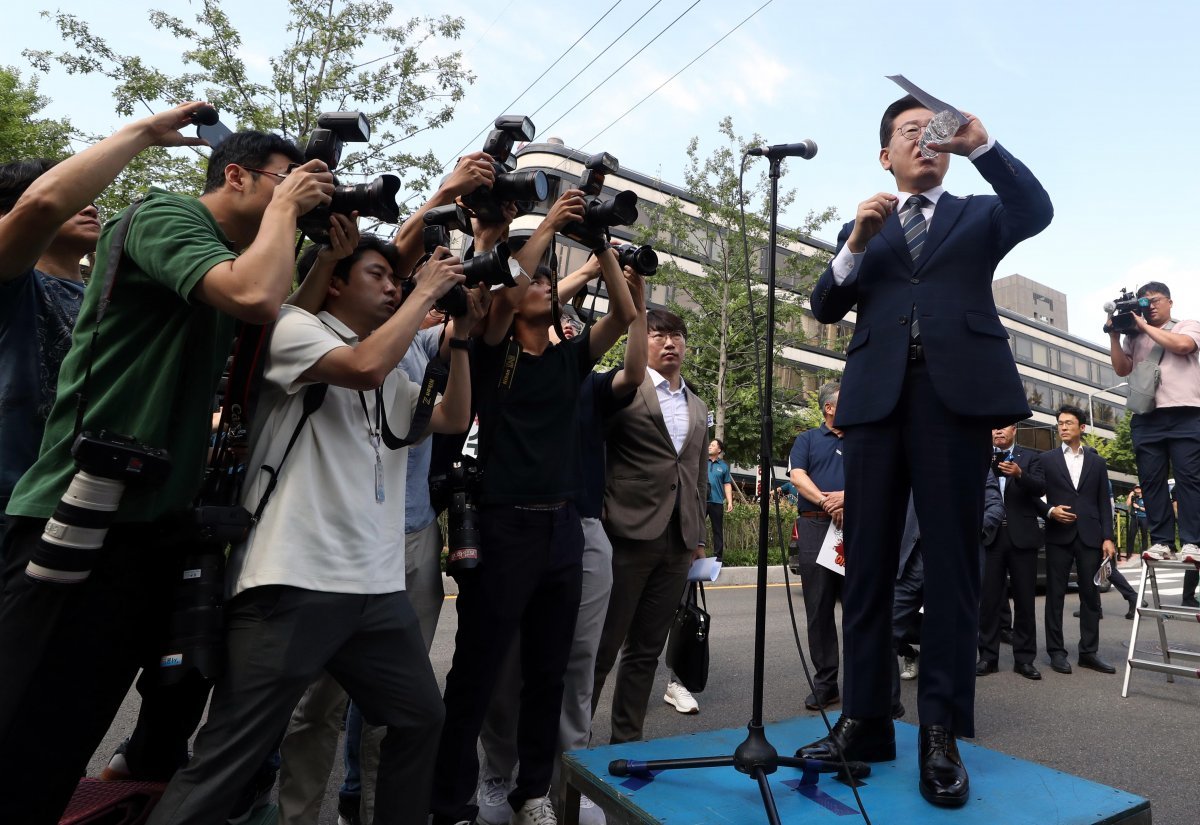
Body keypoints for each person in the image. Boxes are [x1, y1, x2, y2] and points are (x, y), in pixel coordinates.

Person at [0, 121, 334, 822]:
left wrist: (331, 254)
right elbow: (254, 298)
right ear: (235, 176)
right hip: (80, 515)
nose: (295, 195)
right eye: (284, 178)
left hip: (146, 526)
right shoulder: (165, 215)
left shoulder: (225, 257)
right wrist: (281, 214)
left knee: (68, 733)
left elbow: (274, 324)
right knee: (26, 728)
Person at [797, 93, 1053, 808]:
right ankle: (866, 720)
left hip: (955, 401)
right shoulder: (867, 225)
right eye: (911, 132)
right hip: (875, 404)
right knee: (869, 564)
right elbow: (822, 306)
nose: (925, 140)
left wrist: (982, 144)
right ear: (885, 155)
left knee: (950, 566)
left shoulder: (976, 213)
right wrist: (854, 243)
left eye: (935, 132)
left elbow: (1036, 210)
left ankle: (939, 731)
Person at [430, 189, 637, 825]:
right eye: (536, 280)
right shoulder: (494, 347)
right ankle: (452, 800)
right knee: (481, 667)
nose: (546, 285)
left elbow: (626, 318)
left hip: (562, 530)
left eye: (551, 278)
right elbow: (512, 282)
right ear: (511, 297)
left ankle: (533, 791)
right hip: (504, 525)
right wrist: (547, 224)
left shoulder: (572, 356)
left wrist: (601, 243)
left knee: (549, 671)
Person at [475, 255, 647, 825]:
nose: (565, 318)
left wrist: (622, 277)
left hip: (577, 526)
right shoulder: (504, 361)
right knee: (507, 665)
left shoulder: (582, 374)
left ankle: (558, 781)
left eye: (570, 314)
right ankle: (500, 777)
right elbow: (511, 296)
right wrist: (587, 258)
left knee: (571, 663)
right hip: (514, 522)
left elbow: (627, 343)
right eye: (551, 301)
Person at [0, 105, 209, 538]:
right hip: (12, 500)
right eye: (76, 197)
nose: (89, 204)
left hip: (95, 503)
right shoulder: (13, 286)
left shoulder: (111, 301)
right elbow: (41, 205)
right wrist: (143, 132)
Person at [593, 308, 710, 733]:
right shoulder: (624, 389)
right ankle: (569, 749)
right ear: (640, 341)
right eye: (658, 334)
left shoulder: (698, 405)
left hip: (677, 543)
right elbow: (596, 451)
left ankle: (626, 741)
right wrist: (599, 509)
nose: (669, 343)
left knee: (646, 650)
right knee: (602, 648)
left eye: (677, 335)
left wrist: (698, 538)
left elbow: (696, 475)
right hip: (625, 533)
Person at [1107, 282, 1200, 592]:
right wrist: (1115, 336)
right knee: (1150, 481)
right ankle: (1161, 540)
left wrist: (1143, 324)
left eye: (1154, 301)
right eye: (1144, 303)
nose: (1150, 306)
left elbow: (1183, 346)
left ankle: (1191, 541)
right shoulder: (1136, 335)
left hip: (1186, 412)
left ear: (1170, 302)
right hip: (1147, 416)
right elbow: (1122, 369)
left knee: (1189, 478)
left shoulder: (1187, 325)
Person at [1036, 405, 1118, 676]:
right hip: (1058, 535)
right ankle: (1056, 652)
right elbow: (1033, 494)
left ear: (1082, 427)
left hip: (1090, 536)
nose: (1063, 427)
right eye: (1060, 423)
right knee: (1055, 597)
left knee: (1090, 596)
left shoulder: (1097, 462)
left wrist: (1108, 537)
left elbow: (1103, 503)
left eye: (1069, 423)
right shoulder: (1046, 460)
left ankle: (1088, 652)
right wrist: (1050, 511)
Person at [787, 381, 845, 711]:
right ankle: (826, 684)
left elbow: (877, 477)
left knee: (859, 607)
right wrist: (827, 502)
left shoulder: (863, 438)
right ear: (829, 408)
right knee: (819, 607)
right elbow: (797, 476)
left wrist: (849, 500)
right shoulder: (808, 439)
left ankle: (868, 682)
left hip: (857, 525)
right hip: (814, 525)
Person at [976, 425, 1045, 680]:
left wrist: (1019, 474)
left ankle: (1025, 659)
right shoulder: (980, 456)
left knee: (1025, 601)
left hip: (1022, 536)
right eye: (993, 428)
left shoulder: (1031, 457)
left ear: (1014, 430)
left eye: (1003, 427)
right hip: (990, 536)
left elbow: (1040, 488)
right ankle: (987, 657)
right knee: (989, 601)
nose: (997, 432)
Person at [705, 439, 734, 561]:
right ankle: (693, 554)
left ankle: (718, 558)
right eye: (709, 445)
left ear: (719, 450)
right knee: (696, 528)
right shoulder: (701, 462)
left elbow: (727, 484)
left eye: (713, 445)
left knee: (717, 530)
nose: (710, 446)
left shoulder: (723, 466)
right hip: (701, 501)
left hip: (716, 502)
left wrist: (730, 501)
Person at [1126, 485, 1149, 559]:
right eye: (1136, 488)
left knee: (1144, 535)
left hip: (1144, 518)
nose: (1138, 489)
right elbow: (1127, 505)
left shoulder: (1146, 497)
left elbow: (1148, 509)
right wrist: (1130, 496)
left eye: (1139, 487)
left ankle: (1144, 552)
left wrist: (1138, 507)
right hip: (1134, 517)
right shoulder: (1133, 498)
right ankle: (1129, 553)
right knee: (1131, 535)